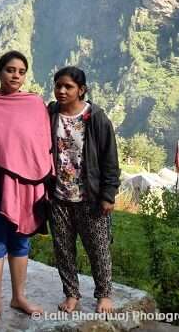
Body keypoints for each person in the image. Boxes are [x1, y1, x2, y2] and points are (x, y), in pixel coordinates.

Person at [0, 51, 52, 322]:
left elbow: (42, 144)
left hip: (27, 184)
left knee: (20, 241)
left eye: (21, 71)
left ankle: (19, 297)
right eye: (10, 70)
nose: (15, 75)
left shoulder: (34, 104)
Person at [47, 66, 120, 314]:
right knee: (63, 249)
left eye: (68, 86)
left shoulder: (96, 118)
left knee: (98, 248)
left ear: (82, 89)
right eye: (58, 85)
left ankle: (104, 295)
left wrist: (108, 195)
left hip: (90, 197)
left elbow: (110, 160)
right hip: (59, 196)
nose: (62, 91)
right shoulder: (51, 113)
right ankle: (71, 294)